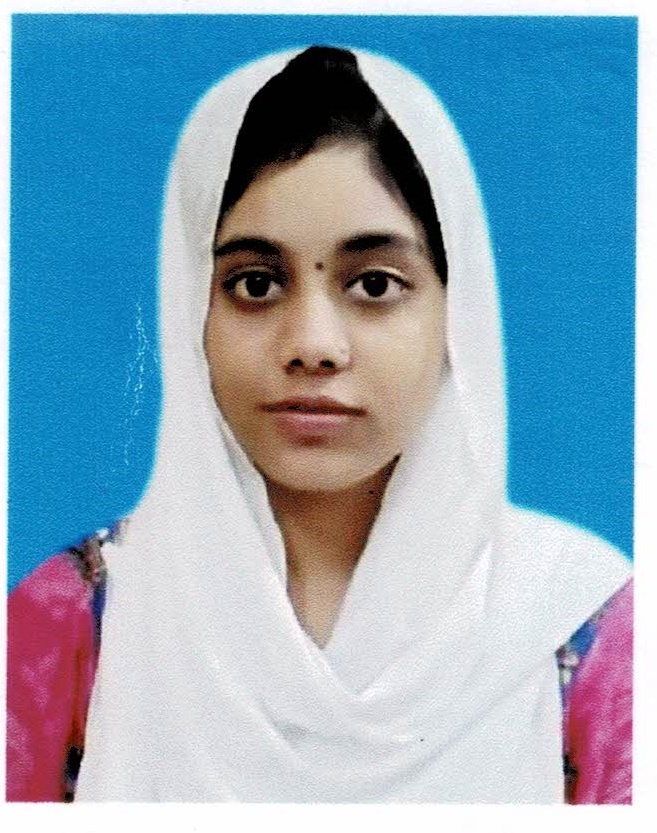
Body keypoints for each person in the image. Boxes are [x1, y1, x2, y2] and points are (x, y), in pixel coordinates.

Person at [7, 46, 632, 803]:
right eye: (254, 284)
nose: (312, 345)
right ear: (188, 308)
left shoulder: (584, 628)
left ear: (456, 313)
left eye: (374, 284)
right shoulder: (72, 623)